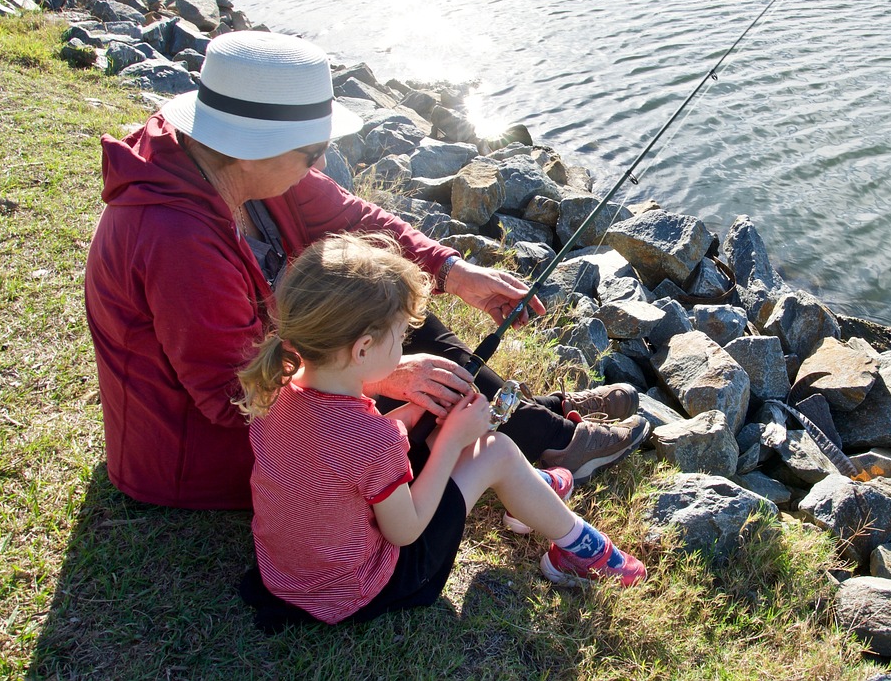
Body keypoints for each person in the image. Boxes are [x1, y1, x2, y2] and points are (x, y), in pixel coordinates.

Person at [84, 30, 649, 510]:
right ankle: (542, 433)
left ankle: (536, 423)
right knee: (390, 361)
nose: (321, 166)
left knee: (386, 305)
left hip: (263, 386)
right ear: (254, 147)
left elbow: (357, 219)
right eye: (310, 154)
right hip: (200, 454)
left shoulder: (225, 165)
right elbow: (233, 397)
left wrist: (453, 271)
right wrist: (380, 378)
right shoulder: (175, 240)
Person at [236, 233, 645, 627]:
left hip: (287, 579)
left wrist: (414, 413)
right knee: (495, 450)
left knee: (439, 432)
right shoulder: (371, 441)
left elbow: (340, 459)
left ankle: (529, 490)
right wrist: (451, 441)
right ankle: (578, 551)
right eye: (400, 339)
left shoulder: (275, 395)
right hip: (362, 590)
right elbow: (404, 529)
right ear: (362, 349)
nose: (404, 351)